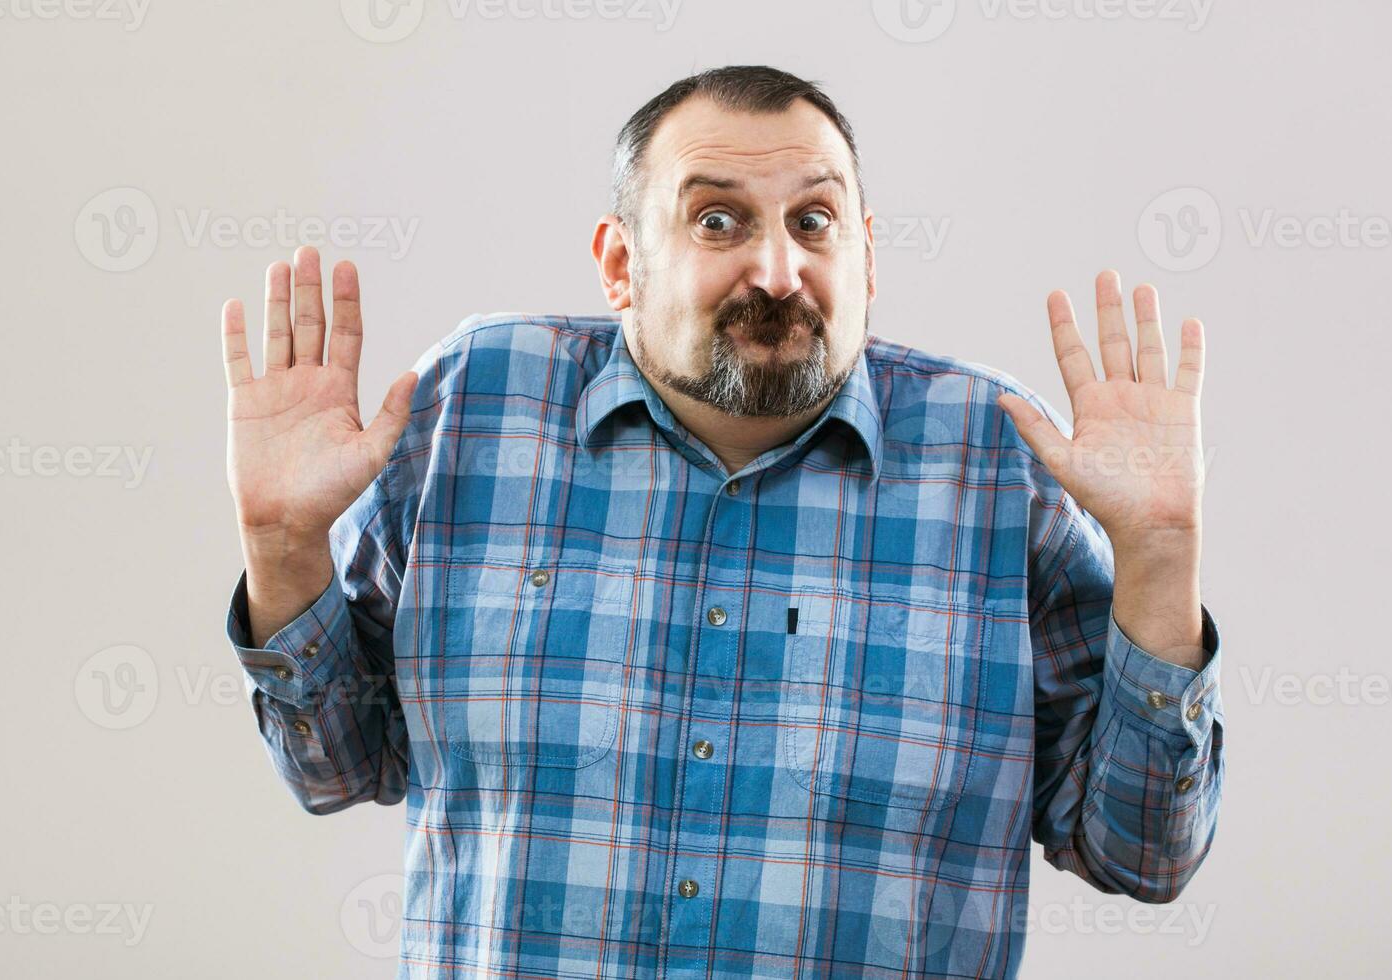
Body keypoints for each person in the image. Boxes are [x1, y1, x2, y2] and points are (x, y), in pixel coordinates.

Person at [219, 64, 1223, 979]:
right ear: (619, 262)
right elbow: (337, 765)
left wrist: (1160, 562)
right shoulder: (472, 408)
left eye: (816, 221)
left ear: (868, 255)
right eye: (717, 221)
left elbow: (1142, 851)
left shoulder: (1001, 463)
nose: (778, 270)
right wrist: (282, 550)